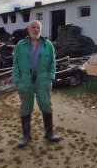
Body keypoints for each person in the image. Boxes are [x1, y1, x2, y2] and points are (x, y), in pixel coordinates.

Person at [12, 20, 61, 148]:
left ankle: (49, 133)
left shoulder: (48, 44)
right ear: (28, 29)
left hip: (43, 78)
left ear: (40, 30)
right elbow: (15, 62)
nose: (36, 29)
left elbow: (53, 62)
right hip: (25, 79)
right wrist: (17, 80)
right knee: (26, 106)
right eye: (33, 27)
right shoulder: (20, 45)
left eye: (38, 27)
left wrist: (50, 77)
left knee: (46, 104)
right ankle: (26, 136)